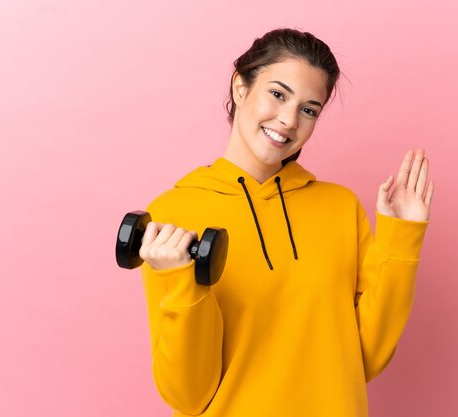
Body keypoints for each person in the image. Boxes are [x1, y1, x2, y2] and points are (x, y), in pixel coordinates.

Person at [139, 28, 434, 417]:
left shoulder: (339, 208)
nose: (289, 120)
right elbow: (187, 395)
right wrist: (181, 283)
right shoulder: (169, 217)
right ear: (240, 88)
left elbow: (366, 359)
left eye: (309, 109)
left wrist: (401, 241)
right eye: (278, 94)